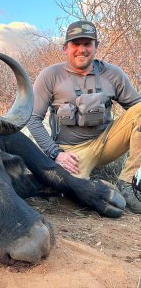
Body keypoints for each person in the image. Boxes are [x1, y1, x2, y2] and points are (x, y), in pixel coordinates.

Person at [27, 20, 141, 213]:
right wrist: (55, 153)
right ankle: (96, 184)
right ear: (65, 48)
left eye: (87, 44)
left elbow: (135, 109)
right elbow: (32, 118)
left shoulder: (113, 73)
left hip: (107, 142)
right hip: (72, 153)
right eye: (76, 44)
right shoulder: (49, 75)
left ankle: (128, 182)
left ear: (96, 47)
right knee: (69, 200)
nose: (82, 49)